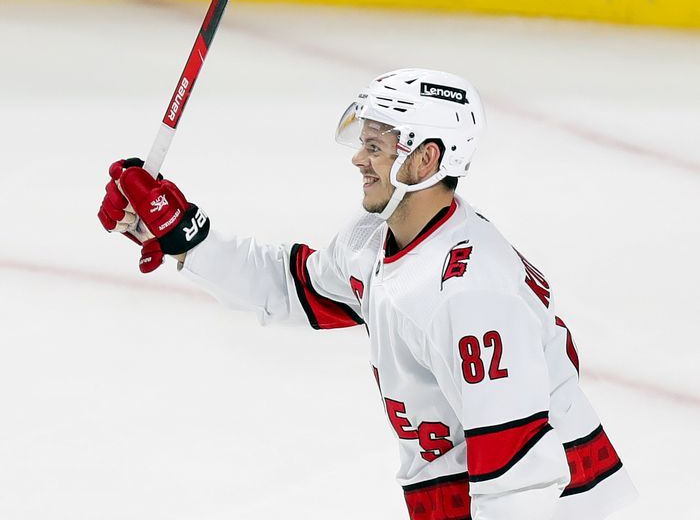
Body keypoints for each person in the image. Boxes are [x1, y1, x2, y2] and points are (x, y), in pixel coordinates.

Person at [98, 68, 637, 520]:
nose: (359, 158)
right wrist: (181, 233)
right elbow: (289, 287)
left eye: (376, 146)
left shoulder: (470, 294)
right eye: (364, 142)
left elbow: (521, 481)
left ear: (425, 160)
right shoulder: (374, 242)